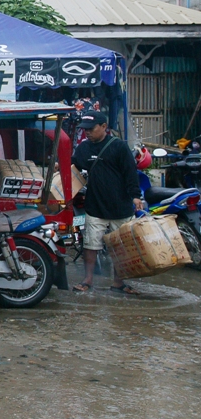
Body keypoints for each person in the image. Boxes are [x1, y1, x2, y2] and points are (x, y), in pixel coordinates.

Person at [71, 112, 146, 295]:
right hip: (95, 206)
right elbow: (73, 167)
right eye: (85, 130)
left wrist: (135, 196)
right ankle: (88, 280)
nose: (87, 133)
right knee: (90, 245)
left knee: (121, 248)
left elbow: (130, 173)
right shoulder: (83, 149)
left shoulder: (119, 147)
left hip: (120, 206)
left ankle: (119, 282)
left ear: (104, 126)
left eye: (91, 129)